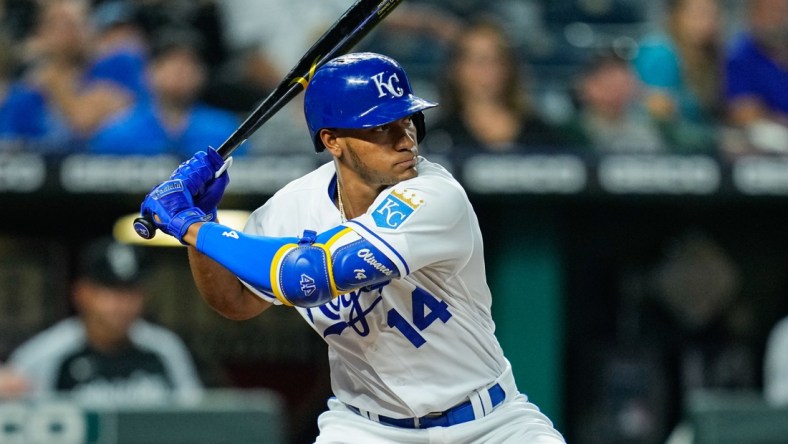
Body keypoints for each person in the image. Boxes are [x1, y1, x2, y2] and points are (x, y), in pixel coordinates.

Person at [136, 52, 566, 443]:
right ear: (332, 140)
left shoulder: (436, 196)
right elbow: (235, 301)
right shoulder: (292, 207)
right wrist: (204, 221)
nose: (405, 139)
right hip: (366, 428)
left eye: (409, 120)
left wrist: (191, 227)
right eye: (381, 127)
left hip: (489, 423)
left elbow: (309, 276)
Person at [0, 237, 203, 405]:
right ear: (81, 293)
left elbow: (195, 419)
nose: (122, 304)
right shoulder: (46, 353)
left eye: (130, 291)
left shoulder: (165, 349)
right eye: (110, 290)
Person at [2, 0, 147, 153]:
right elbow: (9, 145)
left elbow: (84, 121)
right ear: (40, 35)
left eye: (76, 22)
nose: (69, 32)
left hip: (113, 165)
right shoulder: (25, 93)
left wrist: (52, 78)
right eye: (57, 25)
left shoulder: (117, 64)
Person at [89, 27, 243, 158]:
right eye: (170, 64)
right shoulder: (117, 134)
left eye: (190, 64)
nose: (181, 72)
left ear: (203, 74)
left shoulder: (226, 131)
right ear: (148, 72)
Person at [425, 17, 562, 158]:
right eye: (476, 59)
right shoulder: (437, 138)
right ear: (455, 68)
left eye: (495, 59)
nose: (486, 69)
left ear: (509, 67)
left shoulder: (541, 135)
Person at [633, 0, 723, 153]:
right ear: (675, 16)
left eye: (712, 14)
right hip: (652, 151)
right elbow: (658, 120)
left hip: (691, 150)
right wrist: (717, 139)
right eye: (698, 14)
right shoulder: (660, 53)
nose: (707, 22)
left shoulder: (707, 57)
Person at [561, 51, 668, 154]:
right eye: (608, 76)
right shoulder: (573, 131)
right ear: (585, 85)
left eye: (623, 73)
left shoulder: (648, 126)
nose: (619, 82)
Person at [723, 0, 788, 154]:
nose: (776, 18)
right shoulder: (739, 54)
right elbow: (743, 112)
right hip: (765, 140)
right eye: (768, 11)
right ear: (753, 16)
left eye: (781, 10)